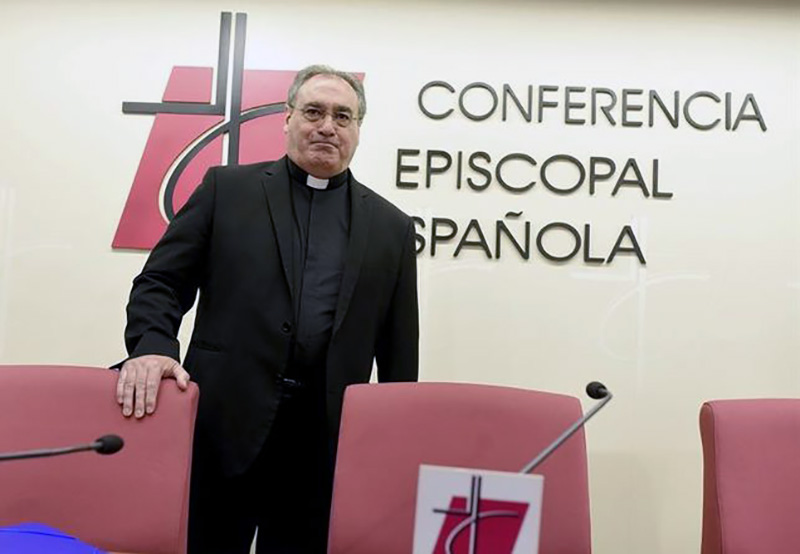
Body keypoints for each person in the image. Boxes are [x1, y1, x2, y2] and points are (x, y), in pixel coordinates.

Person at [115, 64, 419, 554]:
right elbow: (160, 282)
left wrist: (392, 449)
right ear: (288, 118)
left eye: (342, 116)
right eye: (314, 112)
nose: (327, 126)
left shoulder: (393, 228)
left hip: (323, 450)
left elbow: (399, 351)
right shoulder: (226, 191)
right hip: (221, 431)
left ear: (358, 129)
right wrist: (152, 347)